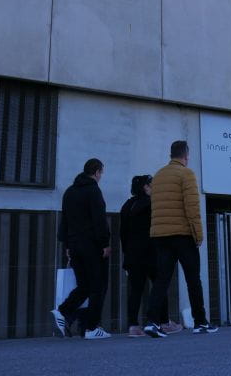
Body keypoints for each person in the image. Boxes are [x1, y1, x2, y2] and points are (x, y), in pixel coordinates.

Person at [143, 141, 218, 337]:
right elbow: (192, 207)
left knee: (162, 280)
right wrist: (198, 234)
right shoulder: (187, 174)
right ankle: (201, 322)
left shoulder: (158, 176)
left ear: (171, 154)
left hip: (160, 236)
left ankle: (152, 322)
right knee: (193, 279)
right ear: (186, 155)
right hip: (182, 235)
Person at [51, 158, 112, 339]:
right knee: (97, 286)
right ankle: (92, 328)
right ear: (96, 172)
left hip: (75, 246)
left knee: (84, 285)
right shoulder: (93, 191)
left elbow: (65, 221)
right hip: (92, 246)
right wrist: (105, 244)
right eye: (101, 172)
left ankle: (63, 312)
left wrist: (67, 245)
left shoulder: (69, 192)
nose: (101, 176)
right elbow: (99, 220)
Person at [120, 174, 183, 338]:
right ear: (145, 187)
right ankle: (164, 322)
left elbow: (123, 234)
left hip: (133, 255)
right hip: (152, 253)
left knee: (135, 290)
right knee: (159, 287)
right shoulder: (153, 204)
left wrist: (126, 255)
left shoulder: (127, 206)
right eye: (151, 184)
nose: (154, 187)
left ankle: (133, 326)